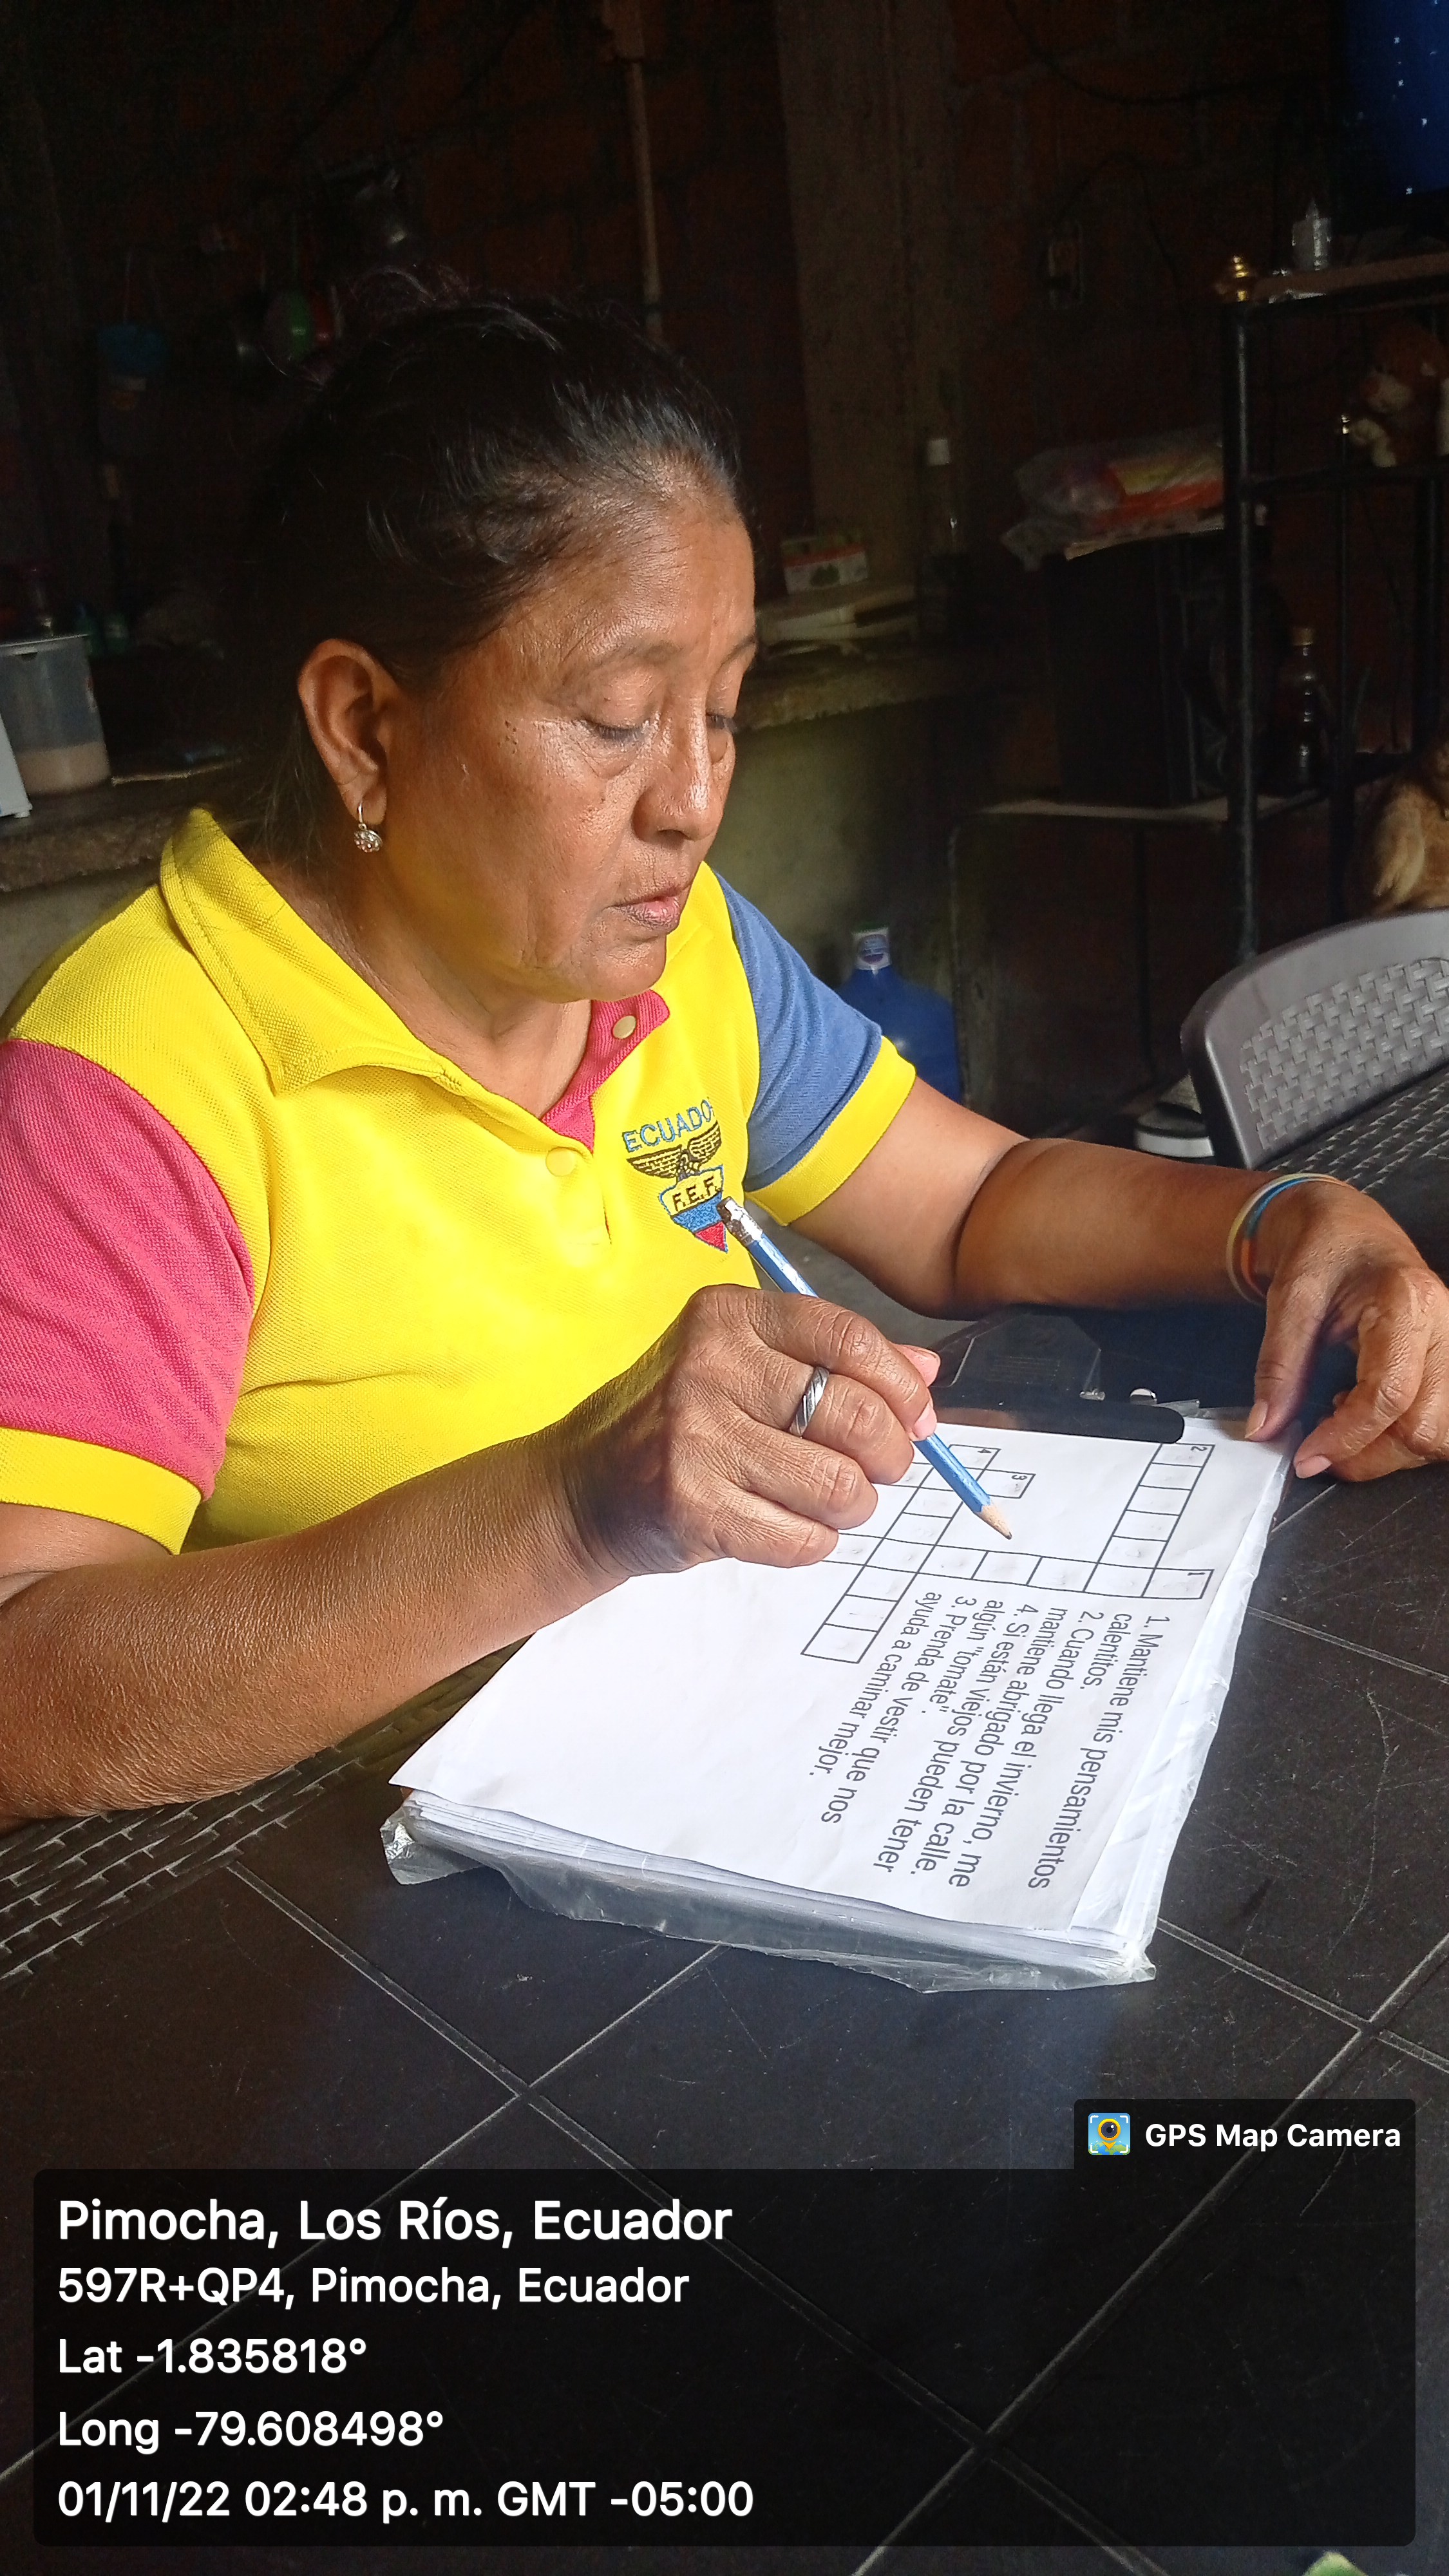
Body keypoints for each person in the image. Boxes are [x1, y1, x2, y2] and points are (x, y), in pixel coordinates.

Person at [1, 292, 1445, 1827]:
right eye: (617, 719)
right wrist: (572, 1504)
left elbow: (970, 1203)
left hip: (723, 1760)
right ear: (365, 726)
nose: (693, 799)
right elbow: (27, 1688)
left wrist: (1279, 1221)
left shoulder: (677, 946)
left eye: (726, 709)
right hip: (355, 1887)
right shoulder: (137, 1081)